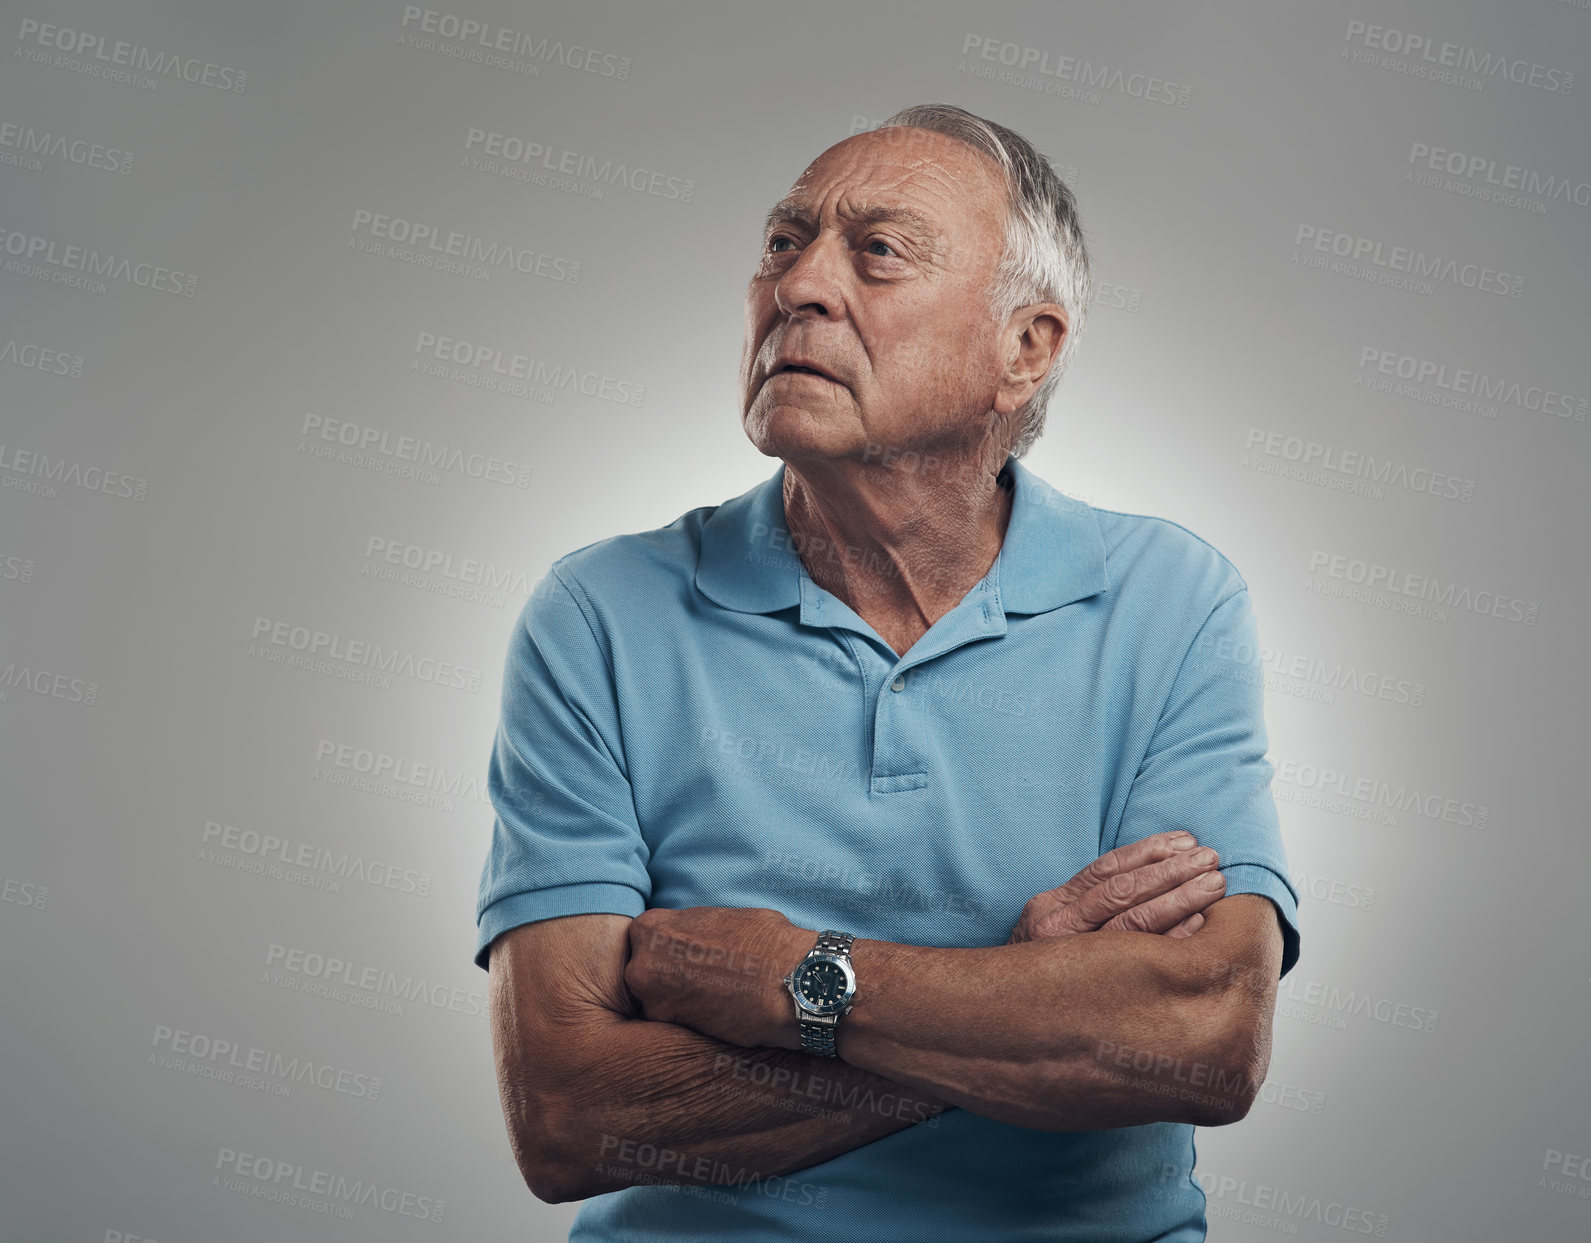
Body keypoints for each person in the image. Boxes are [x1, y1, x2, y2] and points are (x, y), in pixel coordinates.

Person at [475, 102, 1300, 1241]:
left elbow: (1202, 1036)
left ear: (1027, 349)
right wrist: (1018, 987)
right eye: (782, 243)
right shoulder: (600, 611)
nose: (800, 286)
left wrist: (792, 979)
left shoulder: (1170, 598)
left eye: (876, 251)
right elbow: (569, 1116)